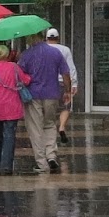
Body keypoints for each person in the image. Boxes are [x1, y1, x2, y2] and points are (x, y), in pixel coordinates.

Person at [16, 30, 70, 173]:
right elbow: (65, 73)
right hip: (52, 93)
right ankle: (51, 155)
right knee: (50, 124)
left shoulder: (26, 55)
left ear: (31, 38)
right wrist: (68, 91)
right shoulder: (55, 53)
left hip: (33, 95)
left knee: (35, 128)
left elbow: (19, 75)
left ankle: (42, 163)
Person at [0, 44, 31, 174]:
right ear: (8, 54)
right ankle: (7, 165)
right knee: (9, 135)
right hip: (11, 107)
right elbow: (25, 80)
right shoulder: (14, 67)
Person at [47, 27, 78, 144]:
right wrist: (74, 84)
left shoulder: (43, 50)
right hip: (62, 83)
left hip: (48, 83)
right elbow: (70, 67)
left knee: (49, 108)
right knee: (65, 107)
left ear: (47, 38)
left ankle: (49, 131)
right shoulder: (65, 50)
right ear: (58, 38)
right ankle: (62, 127)